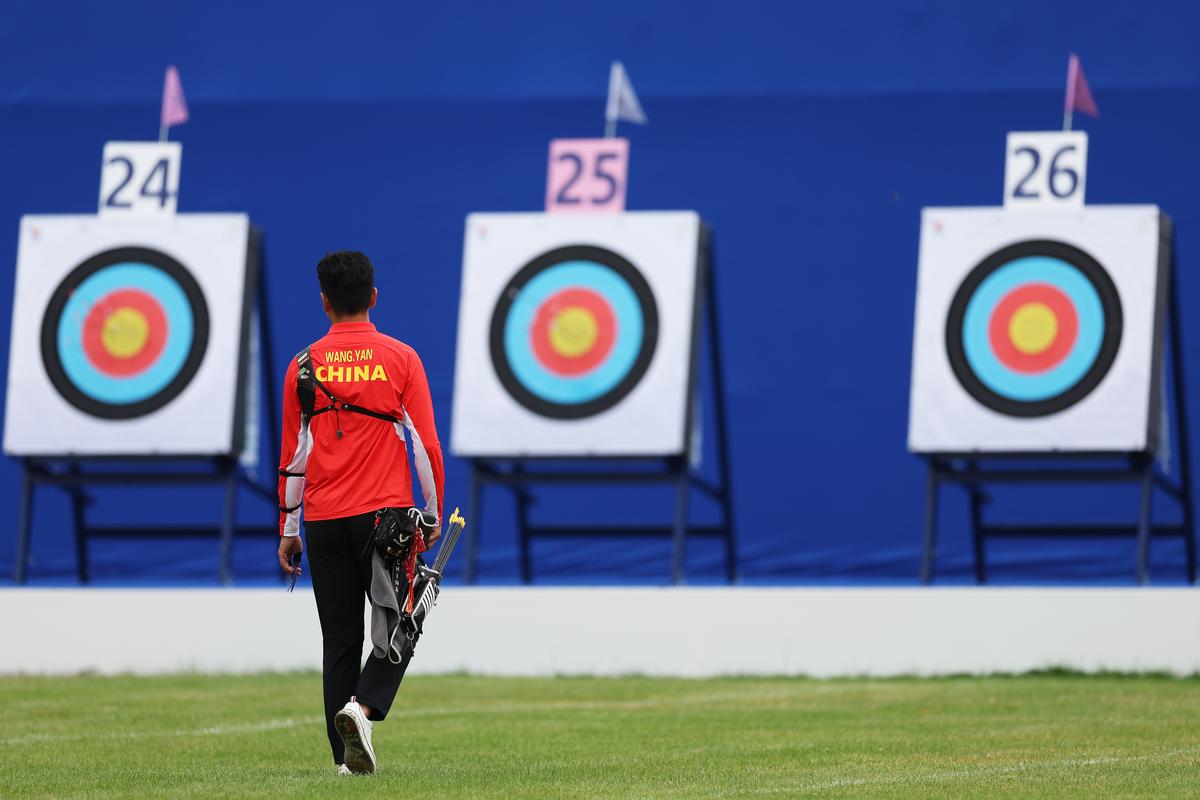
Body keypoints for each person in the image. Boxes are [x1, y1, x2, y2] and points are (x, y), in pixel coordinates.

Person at [276, 250, 444, 776]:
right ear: (373, 297)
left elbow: (293, 457)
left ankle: (345, 763)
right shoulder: (401, 358)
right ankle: (364, 708)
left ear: (324, 302)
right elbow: (426, 447)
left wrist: (289, 528)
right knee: (405, 621)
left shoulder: (302, 365)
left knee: (340, 639)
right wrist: (432, 514)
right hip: (384, 519)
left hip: (323, 520)